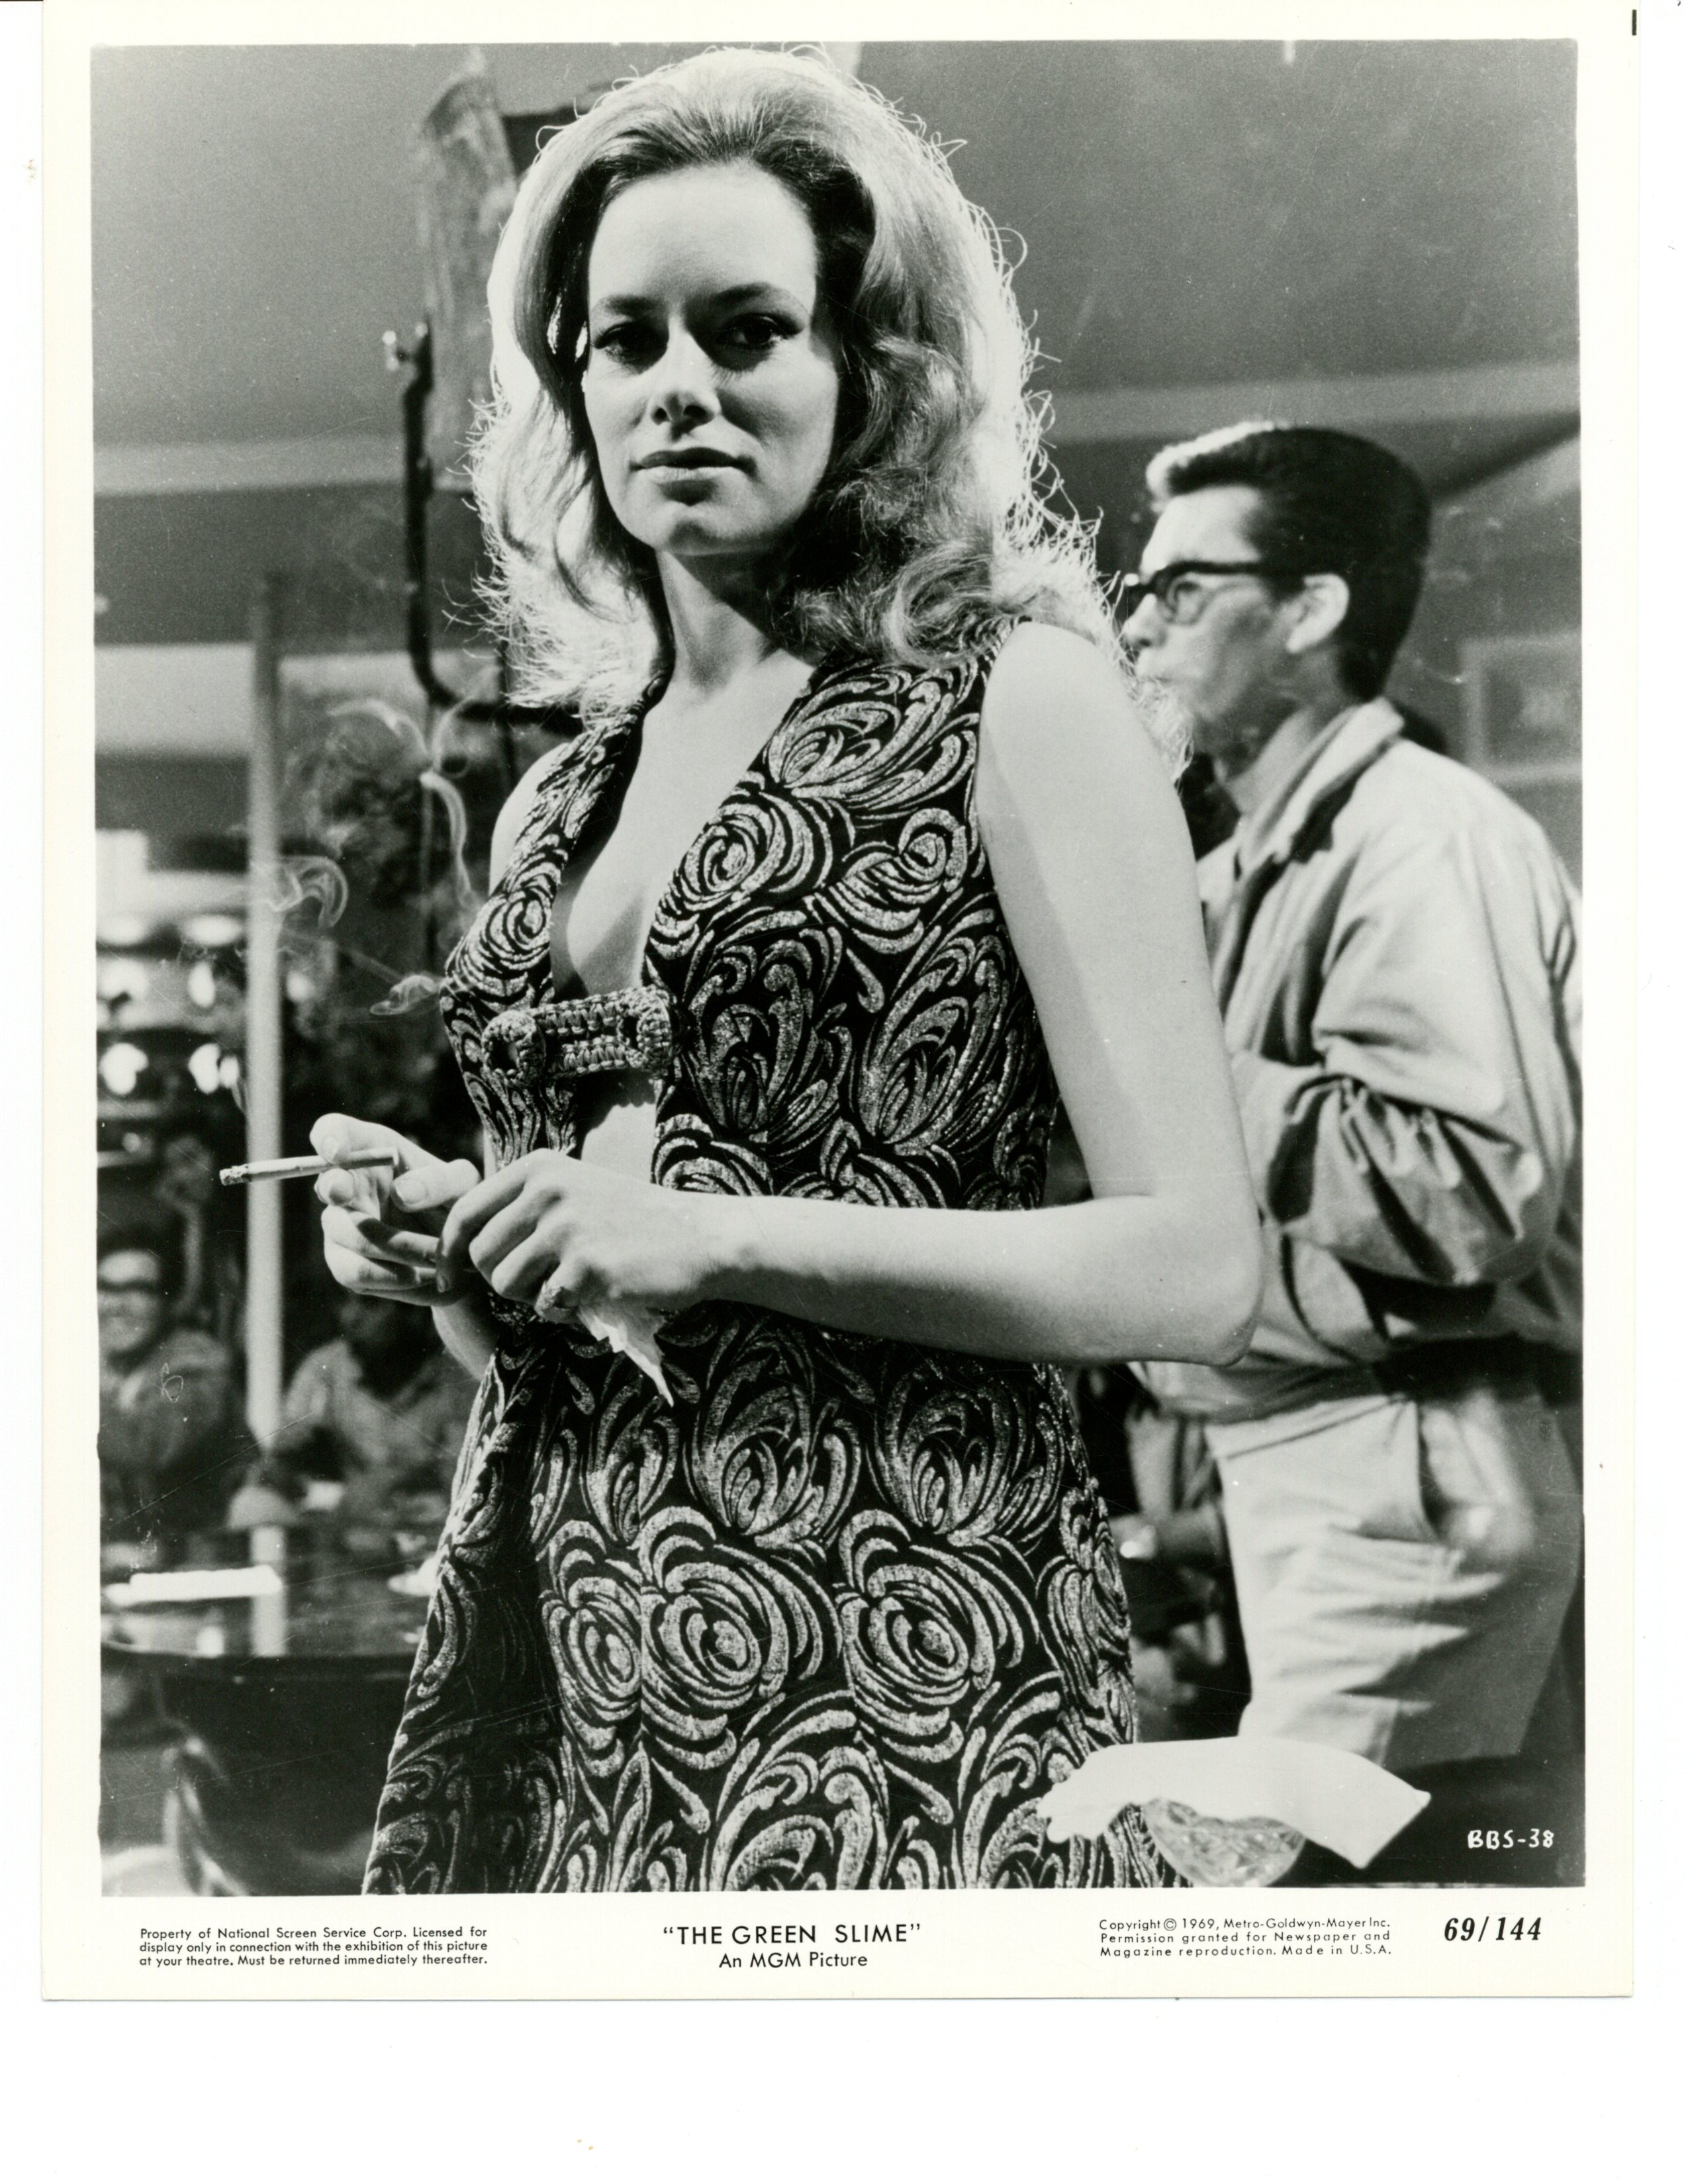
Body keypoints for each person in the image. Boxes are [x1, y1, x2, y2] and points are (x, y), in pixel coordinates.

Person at [312, 48, 1260, 1893]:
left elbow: (1197, 1268)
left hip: (908, 1662)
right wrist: (457, 1246)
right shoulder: (555, 800)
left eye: (747, 330)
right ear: (572, 384)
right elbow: (579, 1314)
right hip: (578, 1663)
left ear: (868, 365)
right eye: (625, 340)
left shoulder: (1019, 698)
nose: (680, 383)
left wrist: (716, 1235)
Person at [1121, 422, 1582, 1772]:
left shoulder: (1419, 834)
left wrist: (1168, 1066)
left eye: (1181, 590)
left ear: (1311, 610)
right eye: (1139, 592)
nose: (1136, 628)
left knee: (1292, 1875)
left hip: (1401, 1471)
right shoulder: (1255, 862)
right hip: (1325, 1463)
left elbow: (1472, 1189)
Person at [230, 1294, 477, 1568]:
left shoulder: (455, 1372)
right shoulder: (326, 1365)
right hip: (349, 1516)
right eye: (344, 1302)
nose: (351, 1317)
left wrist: (394, 1477)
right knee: (253, 1503)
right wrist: (283, 1464)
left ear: (413, 1313)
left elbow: (466, 1473)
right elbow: (286, 1453)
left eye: (370, 1305)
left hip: (425, 1516)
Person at [97, 1218, 253, 1570]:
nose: (117, 1305)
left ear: (170, 1302)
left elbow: (148, 1449)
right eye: (105, 1287)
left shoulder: (198, 1367)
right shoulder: (103, 1369)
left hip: (201, 1567)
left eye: (138, 1289)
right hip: (121, 1568)